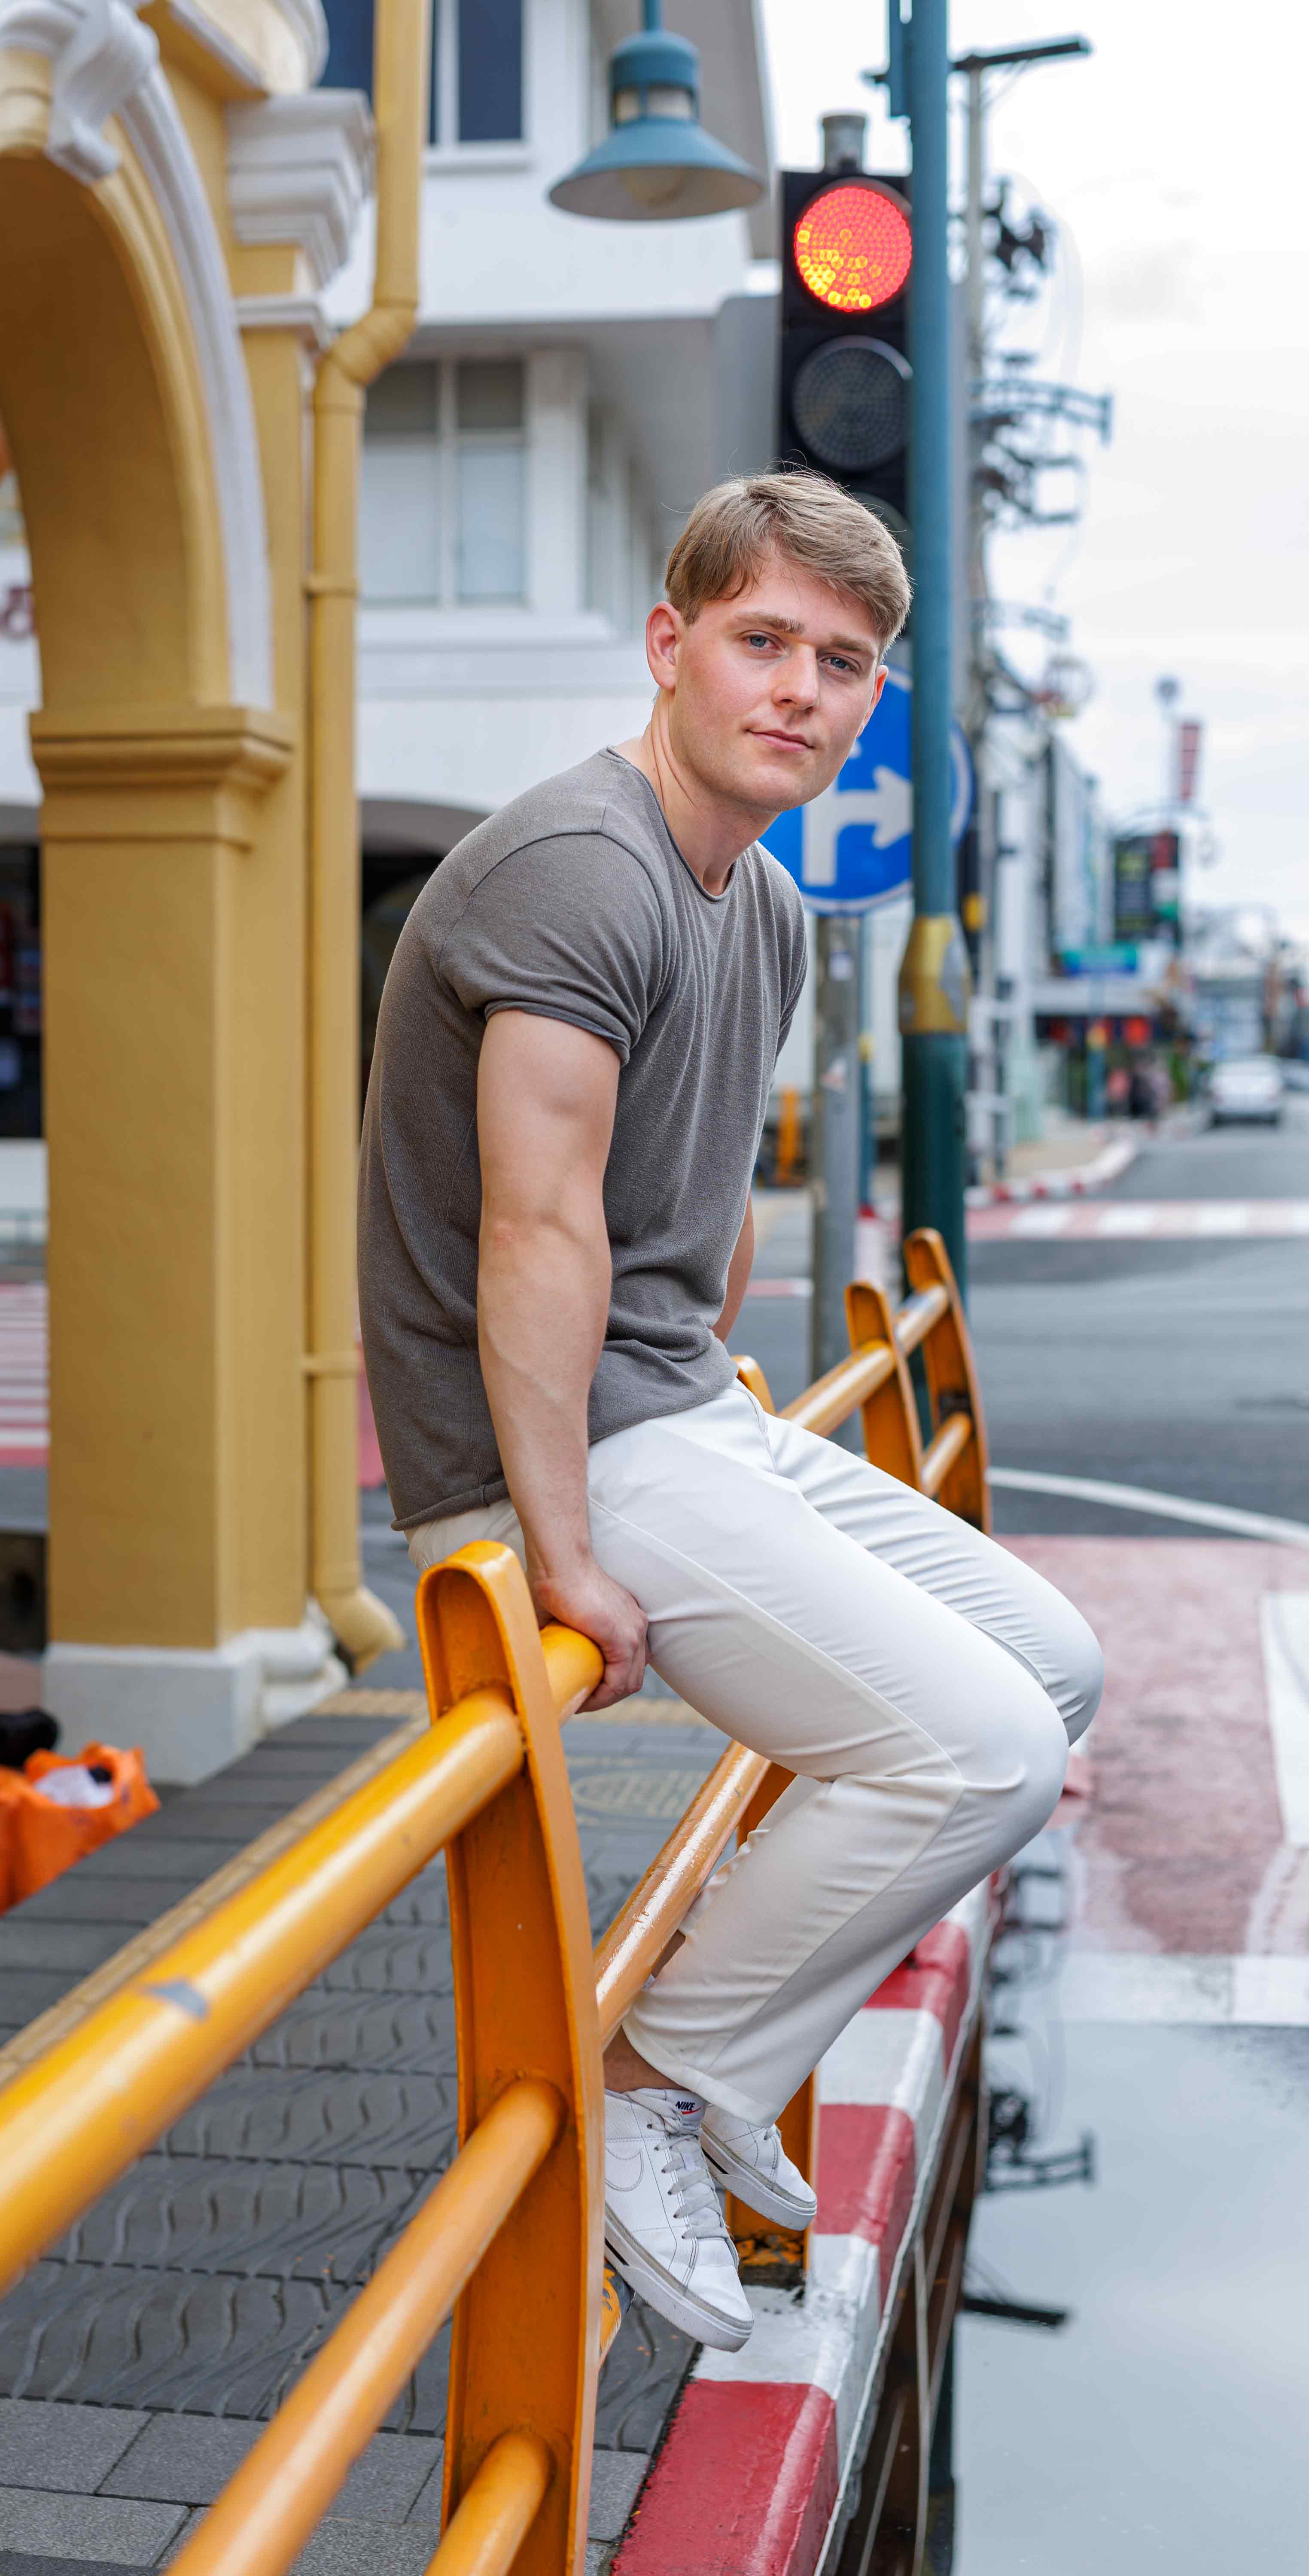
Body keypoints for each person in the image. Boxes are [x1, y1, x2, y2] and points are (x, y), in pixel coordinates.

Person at [356, 472, 1102, 2353]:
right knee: (978, 1752)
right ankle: (657, 2086)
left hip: (681, 1408)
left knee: (1056, 1663)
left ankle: (720, 2052)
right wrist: (557, 1553)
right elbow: (535, 1234)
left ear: (872, 702)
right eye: (762, 642)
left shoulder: (758, 904)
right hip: (566, 1449)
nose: (802, 690)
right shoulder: (581, 868)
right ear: (672, 646)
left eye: (842, 663)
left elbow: (670, 1240)